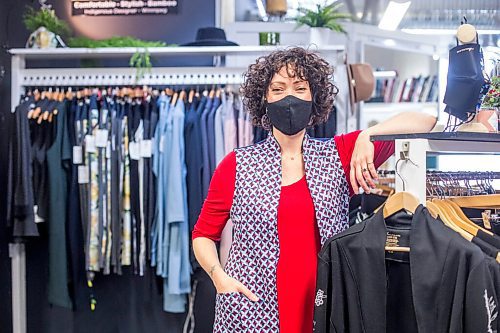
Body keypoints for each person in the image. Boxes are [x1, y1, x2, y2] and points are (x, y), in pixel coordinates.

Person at [192, 47, 437, 332]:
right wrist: (217, 275)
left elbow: (424, 121)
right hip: (250, 310)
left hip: (323, 305)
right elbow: (203, 235)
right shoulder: (237, 165)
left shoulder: (340, 155)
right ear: (264, 98)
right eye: (278, 88)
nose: (289, 98)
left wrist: (369, 135)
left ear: (314, 97)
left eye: (300, 88)